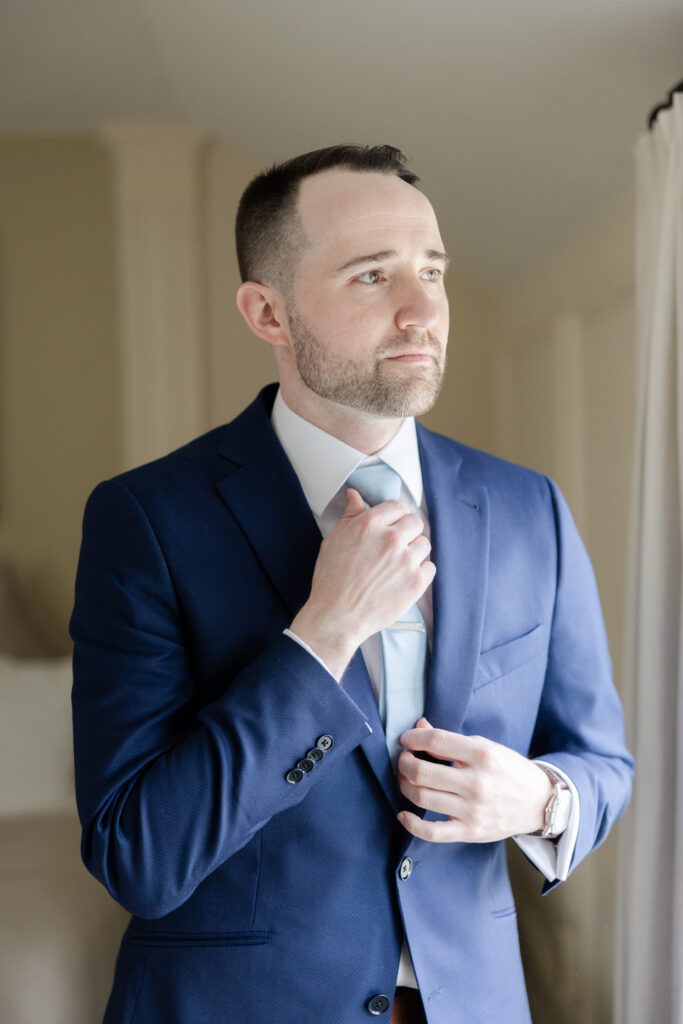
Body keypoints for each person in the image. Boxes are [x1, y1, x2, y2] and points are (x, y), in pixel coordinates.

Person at [70, 144, 634, 1024]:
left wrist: (543, 800)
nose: (422, 312)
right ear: (268, 312)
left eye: (433, 271)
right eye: (372, 277)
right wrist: (321, 635)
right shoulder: (144, 520)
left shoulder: (531, 510)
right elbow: (138, 854)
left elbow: (602, 760)